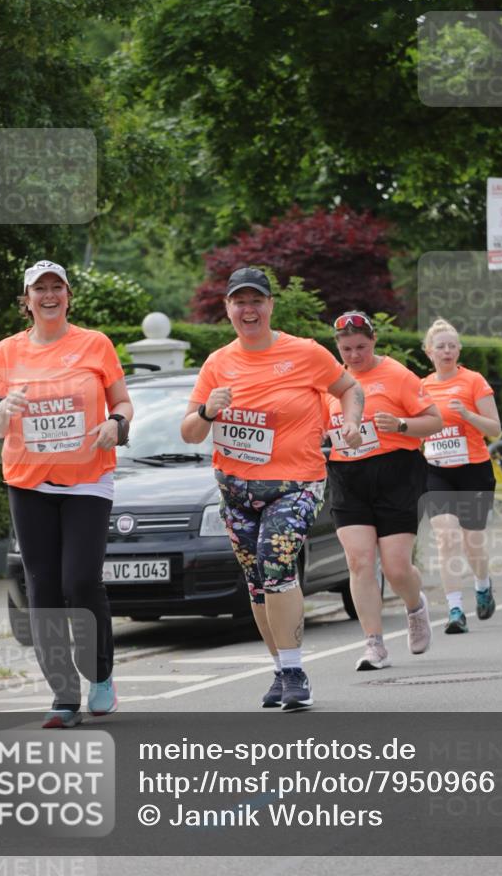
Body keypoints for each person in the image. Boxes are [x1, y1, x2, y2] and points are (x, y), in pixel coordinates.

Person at [181, 267, 364, 711]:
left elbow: (349, 388)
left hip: (295, 483)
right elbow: (189, 432)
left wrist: (353, 423)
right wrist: (207, 410)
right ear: (227, 309)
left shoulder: (303, 353)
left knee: (276, 562)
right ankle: (282, 669)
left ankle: (297, 671)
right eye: (240, 302)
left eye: (256, 301)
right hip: (236, 490)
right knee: (257, 582)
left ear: (270, 306)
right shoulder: (217, 363)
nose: (249, 310)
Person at [0, 260, 133, 728]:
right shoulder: (6, 352)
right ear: (26, 300)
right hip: (28, 480)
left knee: (80, 581)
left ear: (68, 295)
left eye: (56, 288)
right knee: (42, 589)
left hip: (88, 478)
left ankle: (100, 674)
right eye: (39, 289)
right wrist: (3, 410)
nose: (48, 295)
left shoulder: (94, 344)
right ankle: (64, 696)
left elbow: (122, 402)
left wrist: (116, 424)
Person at [324, 311, 442, 670]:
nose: (354, 355)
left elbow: (435, 421)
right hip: (347, 475)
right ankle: (373, 645)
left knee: (396, 567)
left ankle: (415, 607)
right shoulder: (329, 381)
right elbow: (315, 424)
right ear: (337, 347)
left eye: (361, 346)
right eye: (347, 348)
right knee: (359, 561)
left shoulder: (396, 375)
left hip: (396, 473)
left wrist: (403, 424)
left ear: (373, 341)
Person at [421, 318, 502, 634]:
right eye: (440, 346)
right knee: (446, 537)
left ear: (459, 350)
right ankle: (455, 609)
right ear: (429, 352)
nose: (447, 351)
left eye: (452, 345)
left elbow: (495, 429)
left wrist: (467, 414)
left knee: (473, 543)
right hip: (437, 471)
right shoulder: (422, 387)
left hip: (473, 470)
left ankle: (482, 584)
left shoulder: (474, 382)